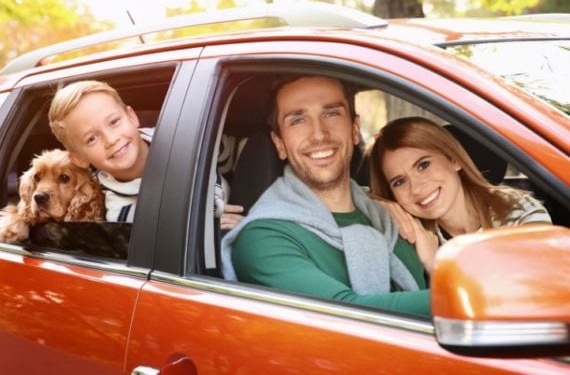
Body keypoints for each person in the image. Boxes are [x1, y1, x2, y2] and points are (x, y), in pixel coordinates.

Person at [221, 76, 431, 317]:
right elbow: (350, 316)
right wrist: (476, 294)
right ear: (279, 144)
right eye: (298, 120)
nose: (319, 134)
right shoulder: (262, 238)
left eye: (331, 113)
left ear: (354, 129)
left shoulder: (393, 215)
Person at [367, 116, 551, 272]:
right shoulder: (412, 232)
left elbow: (525, 297)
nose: (415, 188)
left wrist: (433, 264)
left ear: (453, 159)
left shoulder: (518, 212)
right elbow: (346, 195)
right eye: (399, 182)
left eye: (423, 165)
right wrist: (380, 204)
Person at [49, 80, 245, 225]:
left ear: (132, 117)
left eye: (114, 122)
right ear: (79, 158)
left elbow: (249, 154)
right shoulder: (119, 210)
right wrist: (202, 222)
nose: (111, 140)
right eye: (92, 138)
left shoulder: (184, 138)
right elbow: (172, 228)